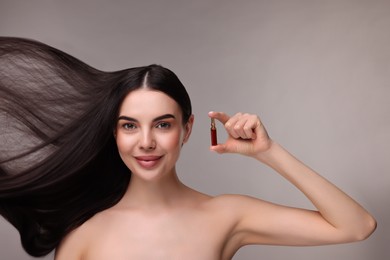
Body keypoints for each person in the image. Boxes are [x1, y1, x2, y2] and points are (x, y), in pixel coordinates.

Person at [0, 37, 376, 260]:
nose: (146, 141)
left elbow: (357, 226)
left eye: (162, 125)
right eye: (129, 126)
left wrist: (269, 152)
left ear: (187, 129)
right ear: (114, 134)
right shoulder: (83, 232)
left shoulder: (227, 215)